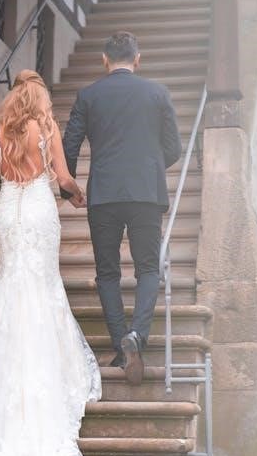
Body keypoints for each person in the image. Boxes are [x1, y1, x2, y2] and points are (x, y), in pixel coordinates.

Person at [0, 70, 102, 456]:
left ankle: (2, 388)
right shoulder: (47, 128)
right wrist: (76, 194)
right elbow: (62, 177)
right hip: (38, 209)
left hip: (9, 212)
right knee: (42, 283)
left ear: (14, 98)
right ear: (40, 98)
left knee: (11, 281)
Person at [62, 32, 182, 385]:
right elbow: (173, 147)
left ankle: (120, 344)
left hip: (103, 194)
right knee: (148, 268)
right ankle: (137, 336)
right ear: (137, 59)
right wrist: (151, 167)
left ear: (104, 60)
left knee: (108, 273)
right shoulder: (158, 93)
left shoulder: (88, 95)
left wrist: (68, 188)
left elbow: (69, 146)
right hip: (146, 192)